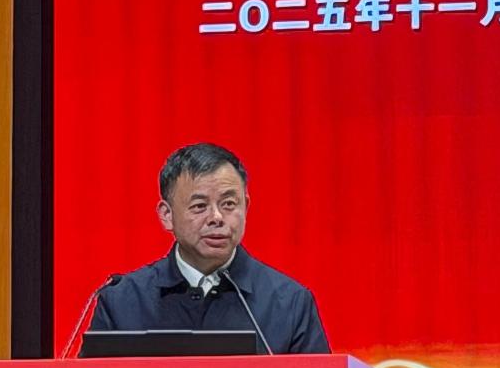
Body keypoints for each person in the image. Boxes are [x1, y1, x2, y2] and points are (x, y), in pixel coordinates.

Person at [89, 142, 330, 354]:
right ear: (167, 215)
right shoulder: (122, 302)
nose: (217, 217)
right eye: (199, 206)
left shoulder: (289, 303)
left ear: (245, 207)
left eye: (229, 204)